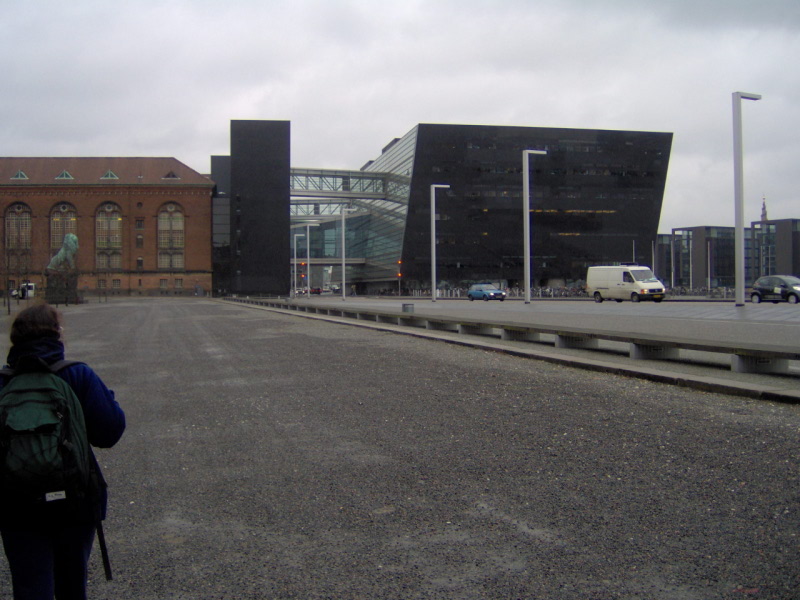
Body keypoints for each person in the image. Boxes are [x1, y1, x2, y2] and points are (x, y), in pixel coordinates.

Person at [0, 303, 126, 600]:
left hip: (16, 501)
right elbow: (110, 432)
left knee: (30, 586)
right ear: (57, 335)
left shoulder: (3, 382)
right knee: (72, 583)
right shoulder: (77, 375)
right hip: (74, 497)